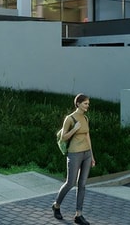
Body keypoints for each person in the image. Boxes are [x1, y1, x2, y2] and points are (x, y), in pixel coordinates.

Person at [51, 94, 95, 224]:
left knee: (82, 185)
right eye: (86, 103)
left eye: (88, 103)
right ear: (78, 104)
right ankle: (56, 205)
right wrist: (74, 129)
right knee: (70, 183)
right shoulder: (69, 119)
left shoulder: (85, 118)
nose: (88, 106)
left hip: (86, 154)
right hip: (74, 154)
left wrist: (92, 155)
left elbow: (88, 137)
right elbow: (63, 137)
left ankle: (78, 215)